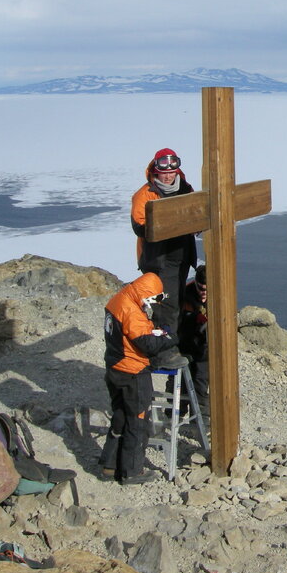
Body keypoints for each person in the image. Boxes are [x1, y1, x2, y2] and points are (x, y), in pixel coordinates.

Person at [97, 272, 187, 484]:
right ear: (145, 293)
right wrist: (168, 338)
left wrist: (152, 330)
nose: (153, 303)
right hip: (132, 371)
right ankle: (132, 471)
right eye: (154, 298)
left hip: (115, 367)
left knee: (119, 415)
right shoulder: (131, 310)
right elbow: (146, 344)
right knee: (137, 421)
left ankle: (109, 466)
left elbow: (133, 332)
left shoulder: (119, 300)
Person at [130, 148, 197, 332]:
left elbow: (196, 213)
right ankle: (164, 349)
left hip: (181, 256)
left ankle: (175, 341)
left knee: (178, 300)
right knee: (164, 304)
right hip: (159, 260)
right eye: (163, 173)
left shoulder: (185, 188)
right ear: (156, 171)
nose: (167, 176)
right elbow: (139, 226)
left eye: (171, 172)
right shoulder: (145, 194)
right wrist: (168, 224)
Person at [173, 264, 210, 421]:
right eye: (200, 288)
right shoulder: (184, 294)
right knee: (177, 383)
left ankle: (201, 421)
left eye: (205, 289)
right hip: (184, 344)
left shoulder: (219, 297)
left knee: (200, 384)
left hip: (204, 349)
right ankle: (174, 416)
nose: (202, 293)